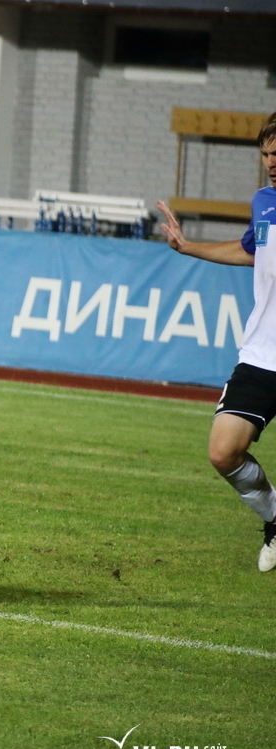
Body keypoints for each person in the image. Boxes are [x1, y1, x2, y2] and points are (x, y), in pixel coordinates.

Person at [158, 109, 276, 572]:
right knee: (223, 451)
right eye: (266, 153)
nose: (271, 161)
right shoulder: (264, 202)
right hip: (262, 354)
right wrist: (190, 247)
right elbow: (251, 251)